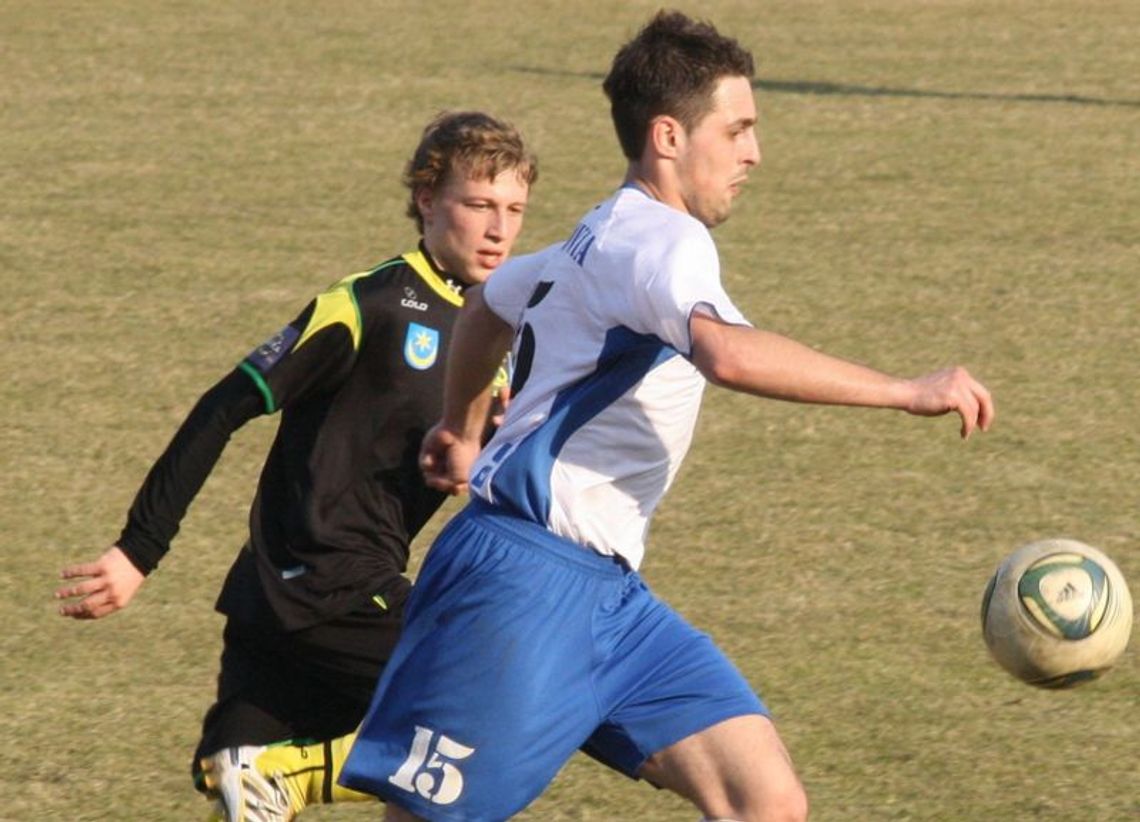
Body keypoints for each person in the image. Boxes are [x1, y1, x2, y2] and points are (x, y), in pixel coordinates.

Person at [338, 11, 995, 822]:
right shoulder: (662, 243)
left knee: (767, 800)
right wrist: (906, 389)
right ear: (669, 137)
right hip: (521, 584)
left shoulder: (599, 234)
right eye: (738, 128)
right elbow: (728, 354)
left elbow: (486, 309)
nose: (754, 152)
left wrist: (464, 427)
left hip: (607, 598)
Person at [54, 111, 537, 822]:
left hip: (275, 601)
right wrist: (138, 550)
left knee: (245, 788)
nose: (499, 230)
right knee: (483, 723)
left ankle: (261, 771)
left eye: (515, 211)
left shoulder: (493, 332)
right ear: (428, 199)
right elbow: (224, 406)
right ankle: (283, 775)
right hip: (333, 586)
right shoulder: (370, 304)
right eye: (478, 205)